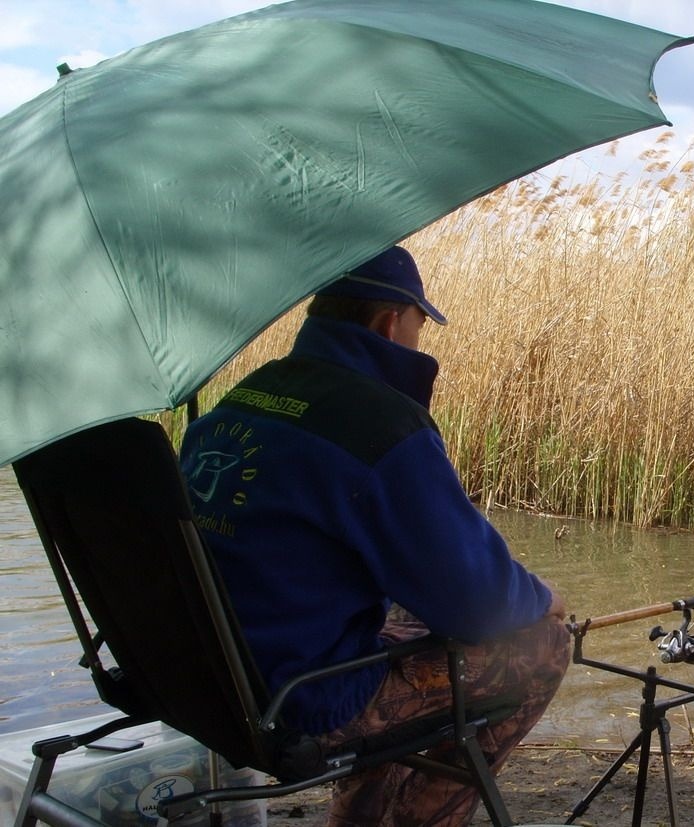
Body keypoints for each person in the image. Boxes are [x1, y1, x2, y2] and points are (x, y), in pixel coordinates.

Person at [180, 245, 568, 826]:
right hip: (303, 701)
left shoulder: (244, 400)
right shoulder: (381, 427)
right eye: (419, 325)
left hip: (209, 680)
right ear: (391, 321)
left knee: (400, 622)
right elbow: (479, 600)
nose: (418, 340)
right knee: (542, 644)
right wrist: (541, 598)